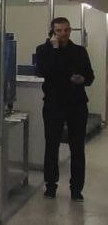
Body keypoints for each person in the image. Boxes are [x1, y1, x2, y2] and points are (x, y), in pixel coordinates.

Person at [33, 17, 94, 201]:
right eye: (59, 30)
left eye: (66, 30)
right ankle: (50, 186)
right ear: (52, 32)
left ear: (70, 30)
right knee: (51, 145)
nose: (63, 34)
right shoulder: (43, 50)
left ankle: (76, 189)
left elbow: (90, 76)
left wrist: (82, 79)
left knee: (77, 148)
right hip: (54, 104)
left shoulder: (79, 51)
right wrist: (54, 49)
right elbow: (43, 71)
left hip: (76, 104)